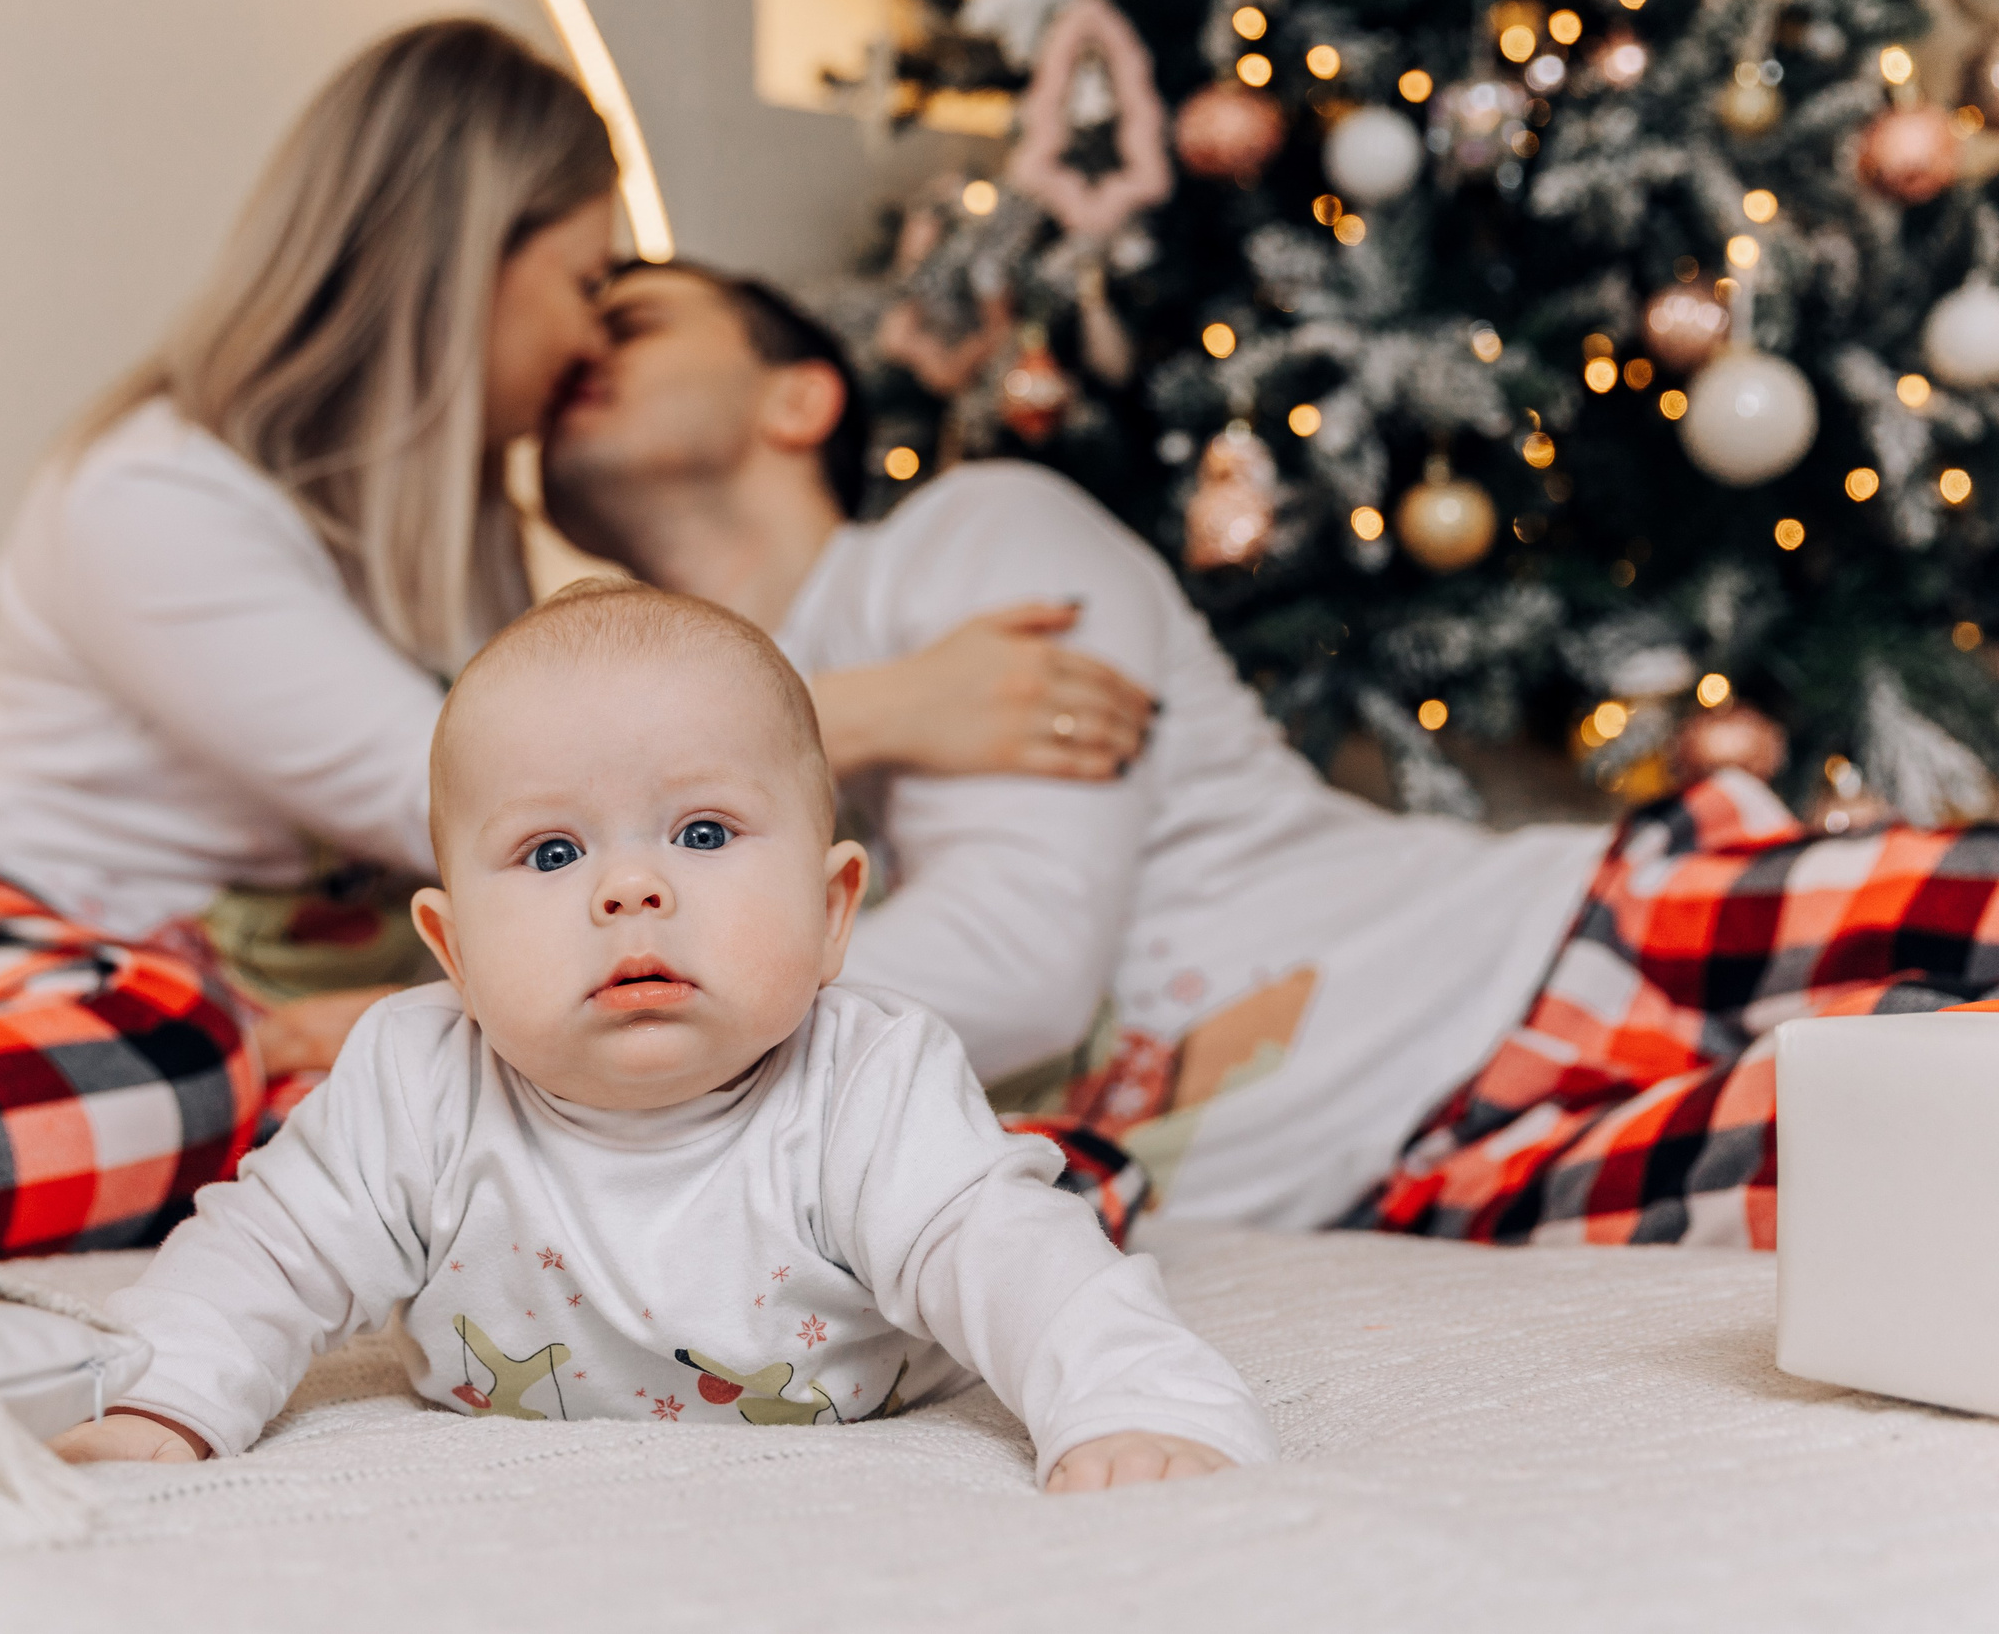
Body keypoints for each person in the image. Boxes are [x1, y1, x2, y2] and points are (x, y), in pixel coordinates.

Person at [0, 21, 1151, 1256]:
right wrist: (880, 710)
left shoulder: (466, 555)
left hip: (176, 1012)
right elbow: (451, 793)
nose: (590, 333)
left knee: (543, 1093)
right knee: (209, 1059)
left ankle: (950, 1210)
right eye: (582, 279)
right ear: (456, 266)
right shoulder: (154, 495)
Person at [538, 259, 1999, 1248]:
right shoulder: (625, 733)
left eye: (637, 315)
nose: (579, 343)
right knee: (1928, 1195)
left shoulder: (974, 535)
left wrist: (559, 1026)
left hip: (1548, 951)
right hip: (1410, 1189)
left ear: (802, 398)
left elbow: (1023, 950)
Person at [49, 581, 1275, 1489]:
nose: (628, 891)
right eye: (551, 851)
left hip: (920, 1250)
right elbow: (261, 1256)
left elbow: (1014, 1262)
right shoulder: (411, 1080)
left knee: (1035, 1193)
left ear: (833, 908)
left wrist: (1133, 1408)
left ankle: (1088, 1159)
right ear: (453, 949)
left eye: (700, 834)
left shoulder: (868, 1081)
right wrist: (159, 1404)